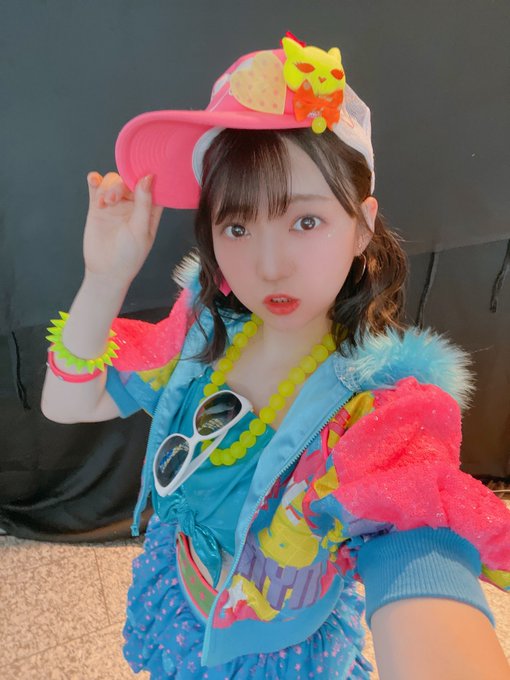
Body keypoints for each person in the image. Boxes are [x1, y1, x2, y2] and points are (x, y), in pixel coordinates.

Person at [41, 34, 510, 679]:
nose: (268, 265)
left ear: (362, 224)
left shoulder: (379, 409)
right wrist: (105, 277)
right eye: (237, 226)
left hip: (281, 658)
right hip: (179, 605)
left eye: (305, 221)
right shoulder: (202, 335)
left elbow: (415, 538)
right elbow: (68, 403)